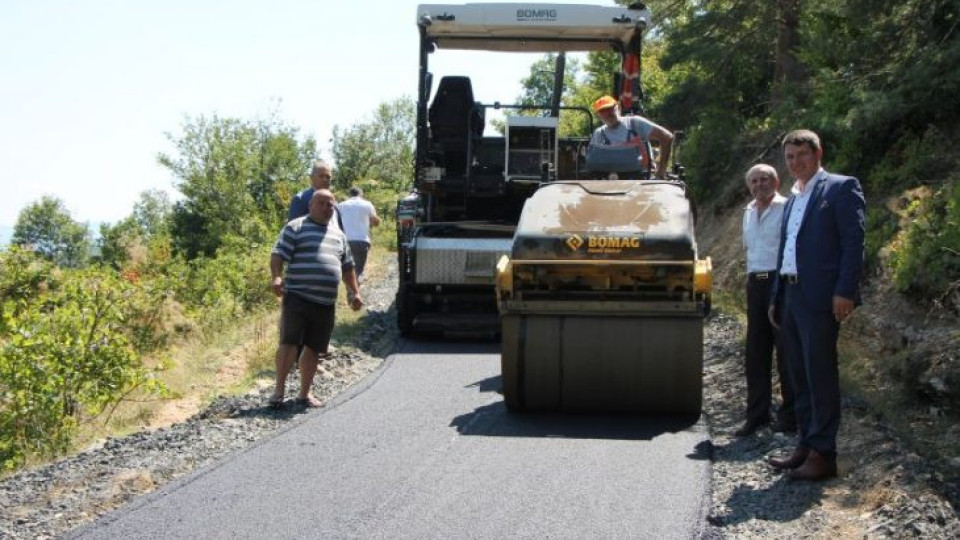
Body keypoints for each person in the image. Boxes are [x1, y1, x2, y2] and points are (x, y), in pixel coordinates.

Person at [766, 129, 866, 481]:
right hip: (791, 296)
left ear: (818, 152)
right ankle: (805, 445)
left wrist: (845, 291)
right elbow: (787, 250)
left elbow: (854, 243)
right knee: (798, 376)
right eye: (790, 157)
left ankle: (824, 455)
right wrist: (777, 296)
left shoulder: (840, 187)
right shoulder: (792, 198)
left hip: (821, 297)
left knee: (820, 374)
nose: (796, 163)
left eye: (802, 155)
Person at [268, 189, 363, 408]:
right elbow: (278, 254)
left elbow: (348, 267)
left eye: (331, 205)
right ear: (311, 205)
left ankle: (304, 394)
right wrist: (277, 278)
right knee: (289, 343)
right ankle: (278, 392)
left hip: (325, 303)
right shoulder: (296, 227)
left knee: (314, 347)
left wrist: (354, 292)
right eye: (322, 203)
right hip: (298, 297)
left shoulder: (338, 235)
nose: (327, 208)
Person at [735, 163, 796, 437]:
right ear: (749, 186)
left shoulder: (787, 208)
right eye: (754, 181)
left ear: (776, 181)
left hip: (779, 282)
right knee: (756, 352)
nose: (759, 185)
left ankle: (789, 415)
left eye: (764, 179)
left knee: (785, 351)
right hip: (754, 282)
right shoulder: (747, 211)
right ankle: (757, 415)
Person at [589, 95, 674, 179]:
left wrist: (661, 170)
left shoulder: (635, 123)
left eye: (609, 109)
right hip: (608, 180)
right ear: (598, 115)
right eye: (602, 111)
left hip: (640, 179)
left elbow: (667, 137)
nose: (607, 113)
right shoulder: (599, 133)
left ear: (618, 108)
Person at [338, 186, 381, 282]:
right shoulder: (367, 204)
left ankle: (351, 292)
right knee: (358, 270)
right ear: (361, 194)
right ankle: (355, 292)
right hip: (362, 240)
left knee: (346, 269)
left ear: (349, 194)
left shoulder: (341, 205)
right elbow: (375, 222)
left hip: (345, 241)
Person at [289, 160, 343, 230]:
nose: (325, 179)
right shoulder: (301, 199)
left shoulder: (333, 202)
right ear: (312, 177)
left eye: (328, 177)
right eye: (321, 176)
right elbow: (292, 228)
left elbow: (339, 228)